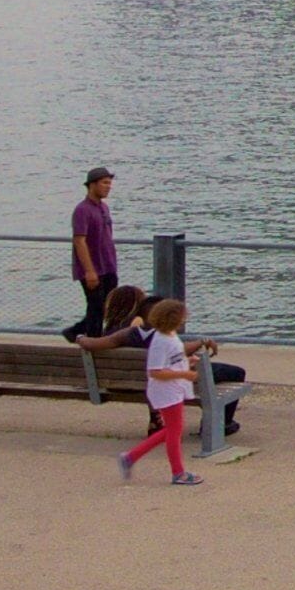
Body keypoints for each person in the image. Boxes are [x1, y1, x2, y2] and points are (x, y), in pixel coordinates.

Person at [117, 296, 213, 487]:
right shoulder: (161, 340)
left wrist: (187, 361)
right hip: (166, 391)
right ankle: (177, 472)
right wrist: (185, 374)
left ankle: (131, 457)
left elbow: (173, 359)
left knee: (172, 430)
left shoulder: (170, 335)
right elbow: (156, 371)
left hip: (173, 389)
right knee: (174, 431)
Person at [62, 170, 122, 343]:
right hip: (93, 268)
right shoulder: (82, 210)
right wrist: (89, 271)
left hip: (108, 265)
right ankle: (93, 341)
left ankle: (75, 331)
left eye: (109, 183)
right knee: (95, 306)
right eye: (104, 183)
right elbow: (79, 241)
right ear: (92, 184)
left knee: (107, 307)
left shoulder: (104, 207)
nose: (108, 187)